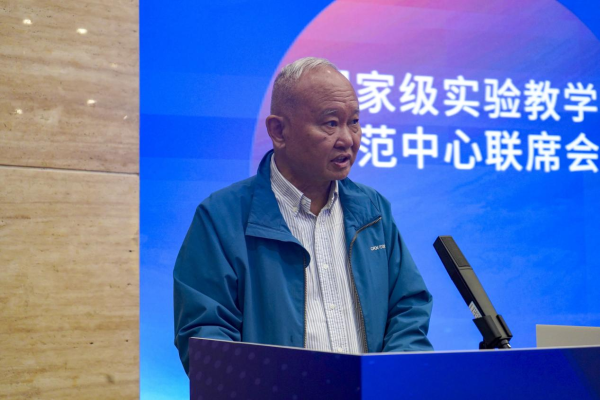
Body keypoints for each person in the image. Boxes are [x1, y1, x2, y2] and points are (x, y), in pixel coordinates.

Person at [174, 57, 433, 375]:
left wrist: (391, 380)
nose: (348, 139)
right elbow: (206, 336)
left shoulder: (373, 211)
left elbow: (408, 308)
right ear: (279, 131)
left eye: (353, 121)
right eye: (330, 123)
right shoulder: (221, 218)